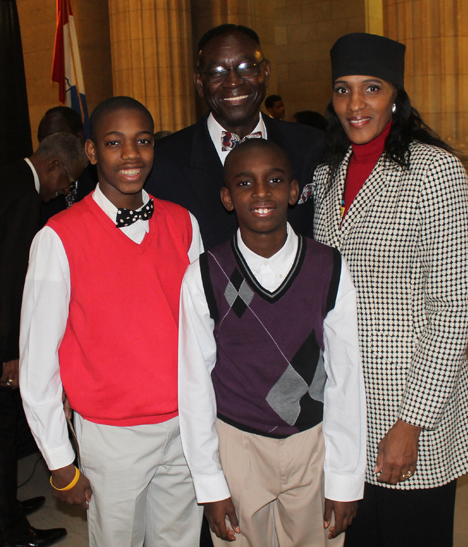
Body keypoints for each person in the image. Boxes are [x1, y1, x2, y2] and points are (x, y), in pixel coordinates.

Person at [311, 32, 468, 547]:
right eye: (343, 90)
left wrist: (410, 423)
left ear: (396, 94)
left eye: (371, 88)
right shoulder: (329, 174)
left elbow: (452, 308)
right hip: (347, 406)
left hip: (412, 407)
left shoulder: (435, 172)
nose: (356, 103)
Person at [19, 96, 204, 547]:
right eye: (114, 142)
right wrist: (59, 459)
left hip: (185, 425)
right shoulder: (58, 237)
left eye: (142, 141)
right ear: (91, 152)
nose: (131, 155)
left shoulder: (183, 223)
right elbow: (37, 360)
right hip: (110, 434)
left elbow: (201, 331)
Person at [178, 139, 366, 546]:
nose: (261, 192)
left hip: (311, 443)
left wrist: (345, 479)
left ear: (294, 192)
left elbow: (347, 376)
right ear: (228, 198)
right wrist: (210, 484)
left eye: (275, 180)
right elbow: (194, 385)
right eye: (245, 183)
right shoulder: (205, 274)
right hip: (237, 444)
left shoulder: (328, 266)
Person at [146, 24, 325, 250]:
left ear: (266, 72)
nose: (233, 81)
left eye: (246, 67)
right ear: (200, 83)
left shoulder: (313, 147)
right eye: (217, 72)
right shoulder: (162, 163)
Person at [0, 132, 87, 547]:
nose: (64, 191)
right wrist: (11, 353)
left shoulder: (9, 178)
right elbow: (10, 281)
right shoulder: (25, 198)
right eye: (68, 181)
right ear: (54, 166)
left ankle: (9, 508)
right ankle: (11, 529)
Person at [38, 106, 98, 225]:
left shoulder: (100, 176)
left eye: (53, 139)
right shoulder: (40, 184)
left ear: (78, 137)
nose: (45, 147)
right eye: (41, 140)